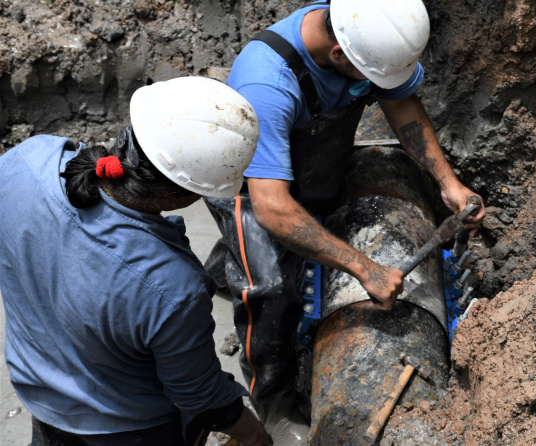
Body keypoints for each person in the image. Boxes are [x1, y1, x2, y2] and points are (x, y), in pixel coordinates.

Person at [203, 0, 486, 442]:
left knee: (310, 208)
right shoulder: (268, 82)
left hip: (306, 166)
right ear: (338, 57)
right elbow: (273, 207)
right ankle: (274, 399)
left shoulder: (365, 26)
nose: (378, 85)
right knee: (270, 288)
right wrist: (364, 268)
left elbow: (402, 105)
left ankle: (225, 267)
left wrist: (446, 183)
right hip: (251, 188)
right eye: (371, 77)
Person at [0, 77, 273, 446]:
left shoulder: (27, 160)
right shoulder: (172, 286)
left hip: (42, 396)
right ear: (184, 197)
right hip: (128, 428)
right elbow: (199, 395)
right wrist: (252, 433)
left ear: (128, 132)